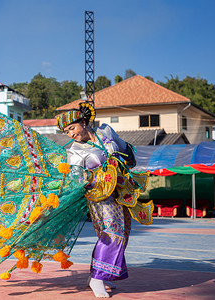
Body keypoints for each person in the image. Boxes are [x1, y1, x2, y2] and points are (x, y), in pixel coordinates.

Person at [57, 102, 144, 298]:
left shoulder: (106, 132)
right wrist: (94, 176)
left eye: (72, 128)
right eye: (66, 132)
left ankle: (96, 275)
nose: (70, 134)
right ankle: (97, 279)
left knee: (124, 231)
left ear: (84, 122)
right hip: (99, 195)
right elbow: (77, 179)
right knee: (111, 231)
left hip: (121, 191)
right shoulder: (74, 152)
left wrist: (124, 158)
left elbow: (126, 150)